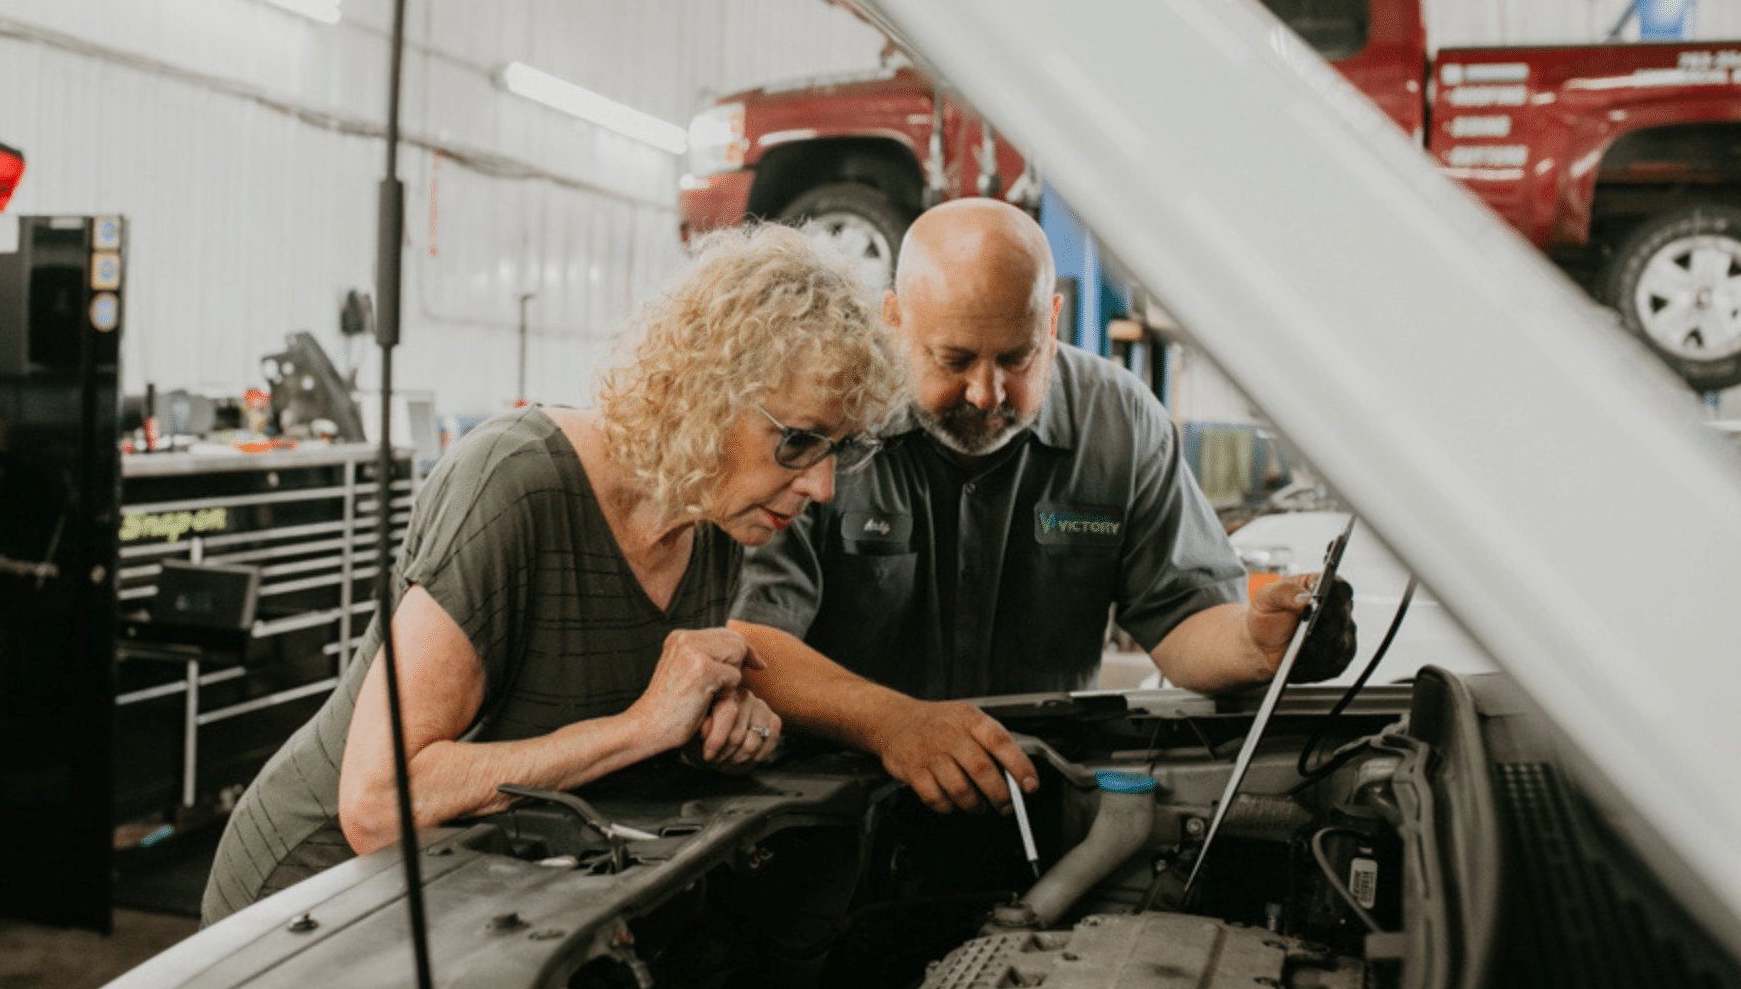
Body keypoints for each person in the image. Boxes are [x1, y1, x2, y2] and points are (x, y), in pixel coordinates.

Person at [201, 225, 904, 925]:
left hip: (467, 904)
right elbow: (378, 806)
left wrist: (706, 733)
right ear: (707, 393)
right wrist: (646, 727)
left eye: (838, 448)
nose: (822, 486)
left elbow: (593, 726)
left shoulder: (716, 520)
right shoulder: (512, 485)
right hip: (308, 904)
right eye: (799, 441)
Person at [730, 198, 1354, 817]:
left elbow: (1184, 619)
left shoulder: (1120, 424)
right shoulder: (825, 419)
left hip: (1036, 795)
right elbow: (751, 639)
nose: (985, 393)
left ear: (1052, 320)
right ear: (893, 320)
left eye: (1015, 357)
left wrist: (1258, 643)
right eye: (954, 360)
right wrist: (895, 724)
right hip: (839, 801)